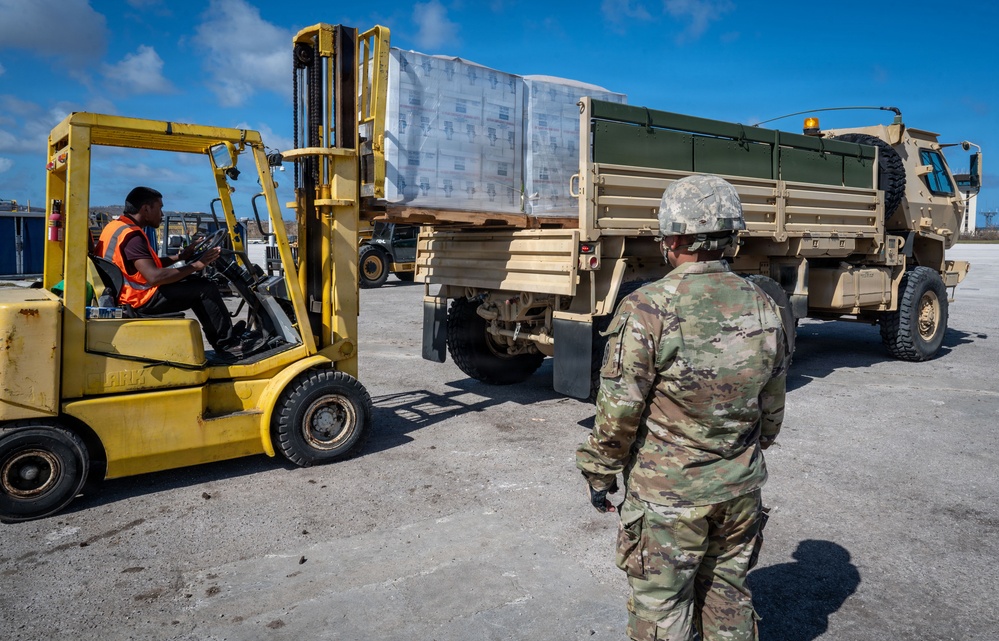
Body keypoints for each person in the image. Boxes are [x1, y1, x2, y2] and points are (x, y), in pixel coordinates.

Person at [576, 174, 788, 641]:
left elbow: (618, 414)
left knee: (662, 610)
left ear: (672, 239)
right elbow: (771, 406)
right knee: (729, 597)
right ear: (732, 236)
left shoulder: (647, 308)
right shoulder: (763, 304)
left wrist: (599, 473)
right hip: (739, 491)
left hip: (669, 500)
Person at [96, 186, 241, 354]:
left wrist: (180, 257)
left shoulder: (116, 227)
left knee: (195, 281)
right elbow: (154, 277)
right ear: (146, 209)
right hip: (138, 299)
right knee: (205, 288)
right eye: (160, 208)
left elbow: (146, 265)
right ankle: (227, 344)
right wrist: (198, 265)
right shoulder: (132, 236)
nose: (162, 214)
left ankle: (225, 334)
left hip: (126, 293)